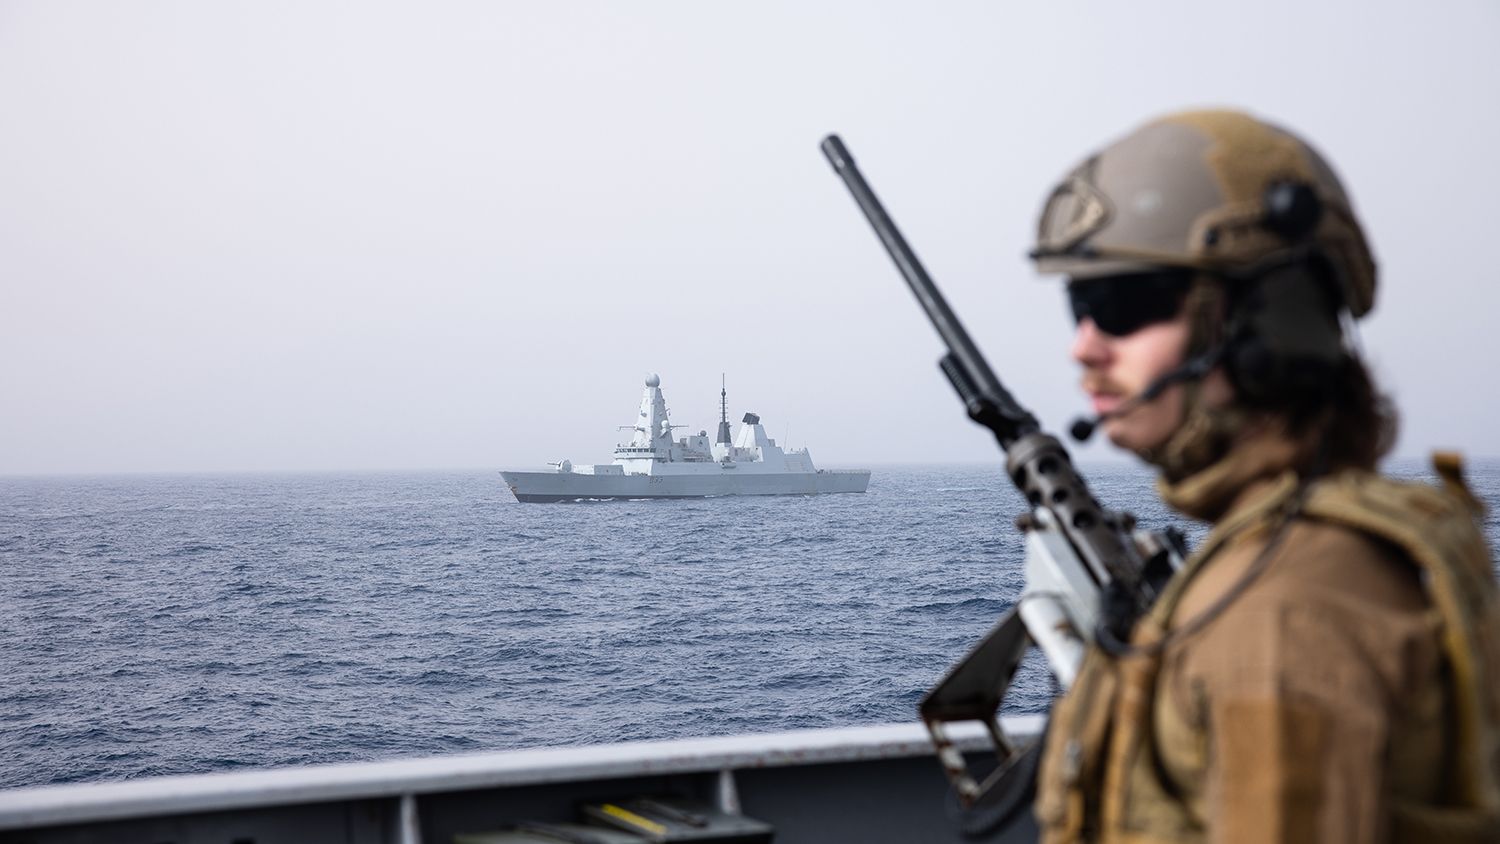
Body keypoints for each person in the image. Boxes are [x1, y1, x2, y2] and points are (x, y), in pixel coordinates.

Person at [1025, 109, 1500, 842]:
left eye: (1122, 305)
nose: (1084, 348)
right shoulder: (1307, 550)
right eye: (1079, 307)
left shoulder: (1285, 610)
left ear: (1261, 321)